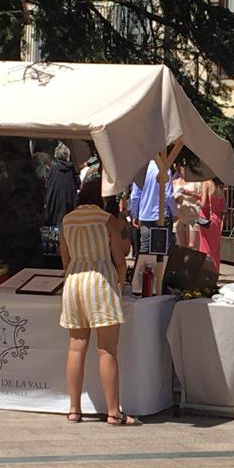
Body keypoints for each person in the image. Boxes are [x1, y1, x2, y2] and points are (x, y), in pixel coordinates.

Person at [59, 179, 138, 426]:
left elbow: (65, 258)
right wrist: (120, 280)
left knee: (75, 346)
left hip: (74, 281)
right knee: (107, 349)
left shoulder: (67, 219)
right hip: (100, 280)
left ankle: (74, 409)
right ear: (102, 197)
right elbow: (120, 257)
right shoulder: (107, 220)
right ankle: (114, 412)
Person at [129, 160, 176, 254]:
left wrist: (135, 214)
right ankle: (160, 269)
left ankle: (144, 268)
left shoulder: (140, 169)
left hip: (145, 215)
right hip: (162, 215)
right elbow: (168, 195)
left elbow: (134, 196)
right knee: (162, 250)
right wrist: (174, 212)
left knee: (145, 248)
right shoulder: (165, 169)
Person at [44, 143, 79, 226]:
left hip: (57, 208)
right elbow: (76, 184)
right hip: (70, 207)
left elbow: (50, 188)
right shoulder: (71, 169)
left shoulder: (54, 169)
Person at [172, 166, 204, 251]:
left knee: (192, 245)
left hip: (193, 216)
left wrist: (190, 194)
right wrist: (176, 199)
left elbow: (202, 197)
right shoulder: (174, 182)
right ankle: (183, 263)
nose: (183, 169)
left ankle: (192, 263)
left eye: (185, 166)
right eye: (181, 166)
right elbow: (170, 198)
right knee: (181, 245)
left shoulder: (196, 182)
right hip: (180, 216)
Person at [198, 178, 227, 271]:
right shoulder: (220, 186)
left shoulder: (205, 182)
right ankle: (215, 273)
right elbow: (223, 206)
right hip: (216, 219)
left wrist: (196, 201)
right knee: (215, 250)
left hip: (206, 219)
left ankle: (206, 274)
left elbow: (203, 204)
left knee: (205, 247)